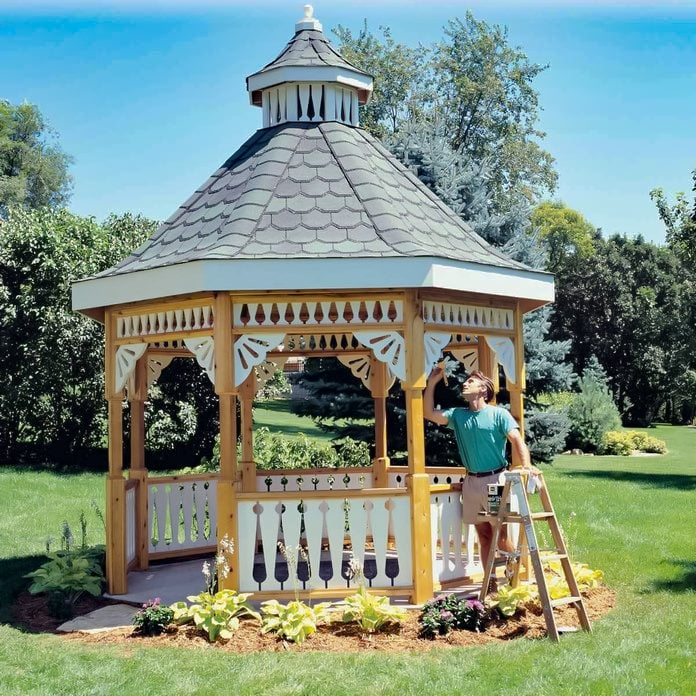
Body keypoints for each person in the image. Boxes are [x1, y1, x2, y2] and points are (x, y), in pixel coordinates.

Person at [423, 367, 533, 588]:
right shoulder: (458, 415)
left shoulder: (498, 414)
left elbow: (517, 440)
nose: (465, 384)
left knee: (499, 534)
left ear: (483, 389)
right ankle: (490, 582)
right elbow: (428, 413)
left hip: (495, 482)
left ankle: (512, 580)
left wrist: (527, 466)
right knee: (483, 534)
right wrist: (432, 382)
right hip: (471, 483)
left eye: (470, 382)